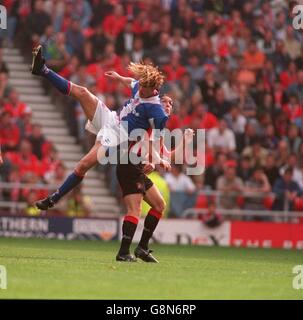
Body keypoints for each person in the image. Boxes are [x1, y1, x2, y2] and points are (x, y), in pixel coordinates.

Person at [31, 45, 170, 211]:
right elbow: (130, 82)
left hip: (118, 137)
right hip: (111, 118)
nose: (139, 89)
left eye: (143, 88)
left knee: (83, 165)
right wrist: (119, 77)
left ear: (153, 89)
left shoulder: (157, 112)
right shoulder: (141, 86)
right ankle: (42, 69)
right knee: (82, 92)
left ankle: (53, 199)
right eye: (139, 86)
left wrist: (154, 159)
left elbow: (154, 138)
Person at [115, 96, 194, 262]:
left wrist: (185, 141)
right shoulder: (151, 121)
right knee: (134, 210)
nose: (168, 104)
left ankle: (142, 248)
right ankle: (123, 252)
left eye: (171, 103)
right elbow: (145, 143)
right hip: (129, 162)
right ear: (157, 105)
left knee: (159, 205)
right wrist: (156, 160)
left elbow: (169, 156)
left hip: (137, 168)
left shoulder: (159, 128)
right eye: (164, 101)